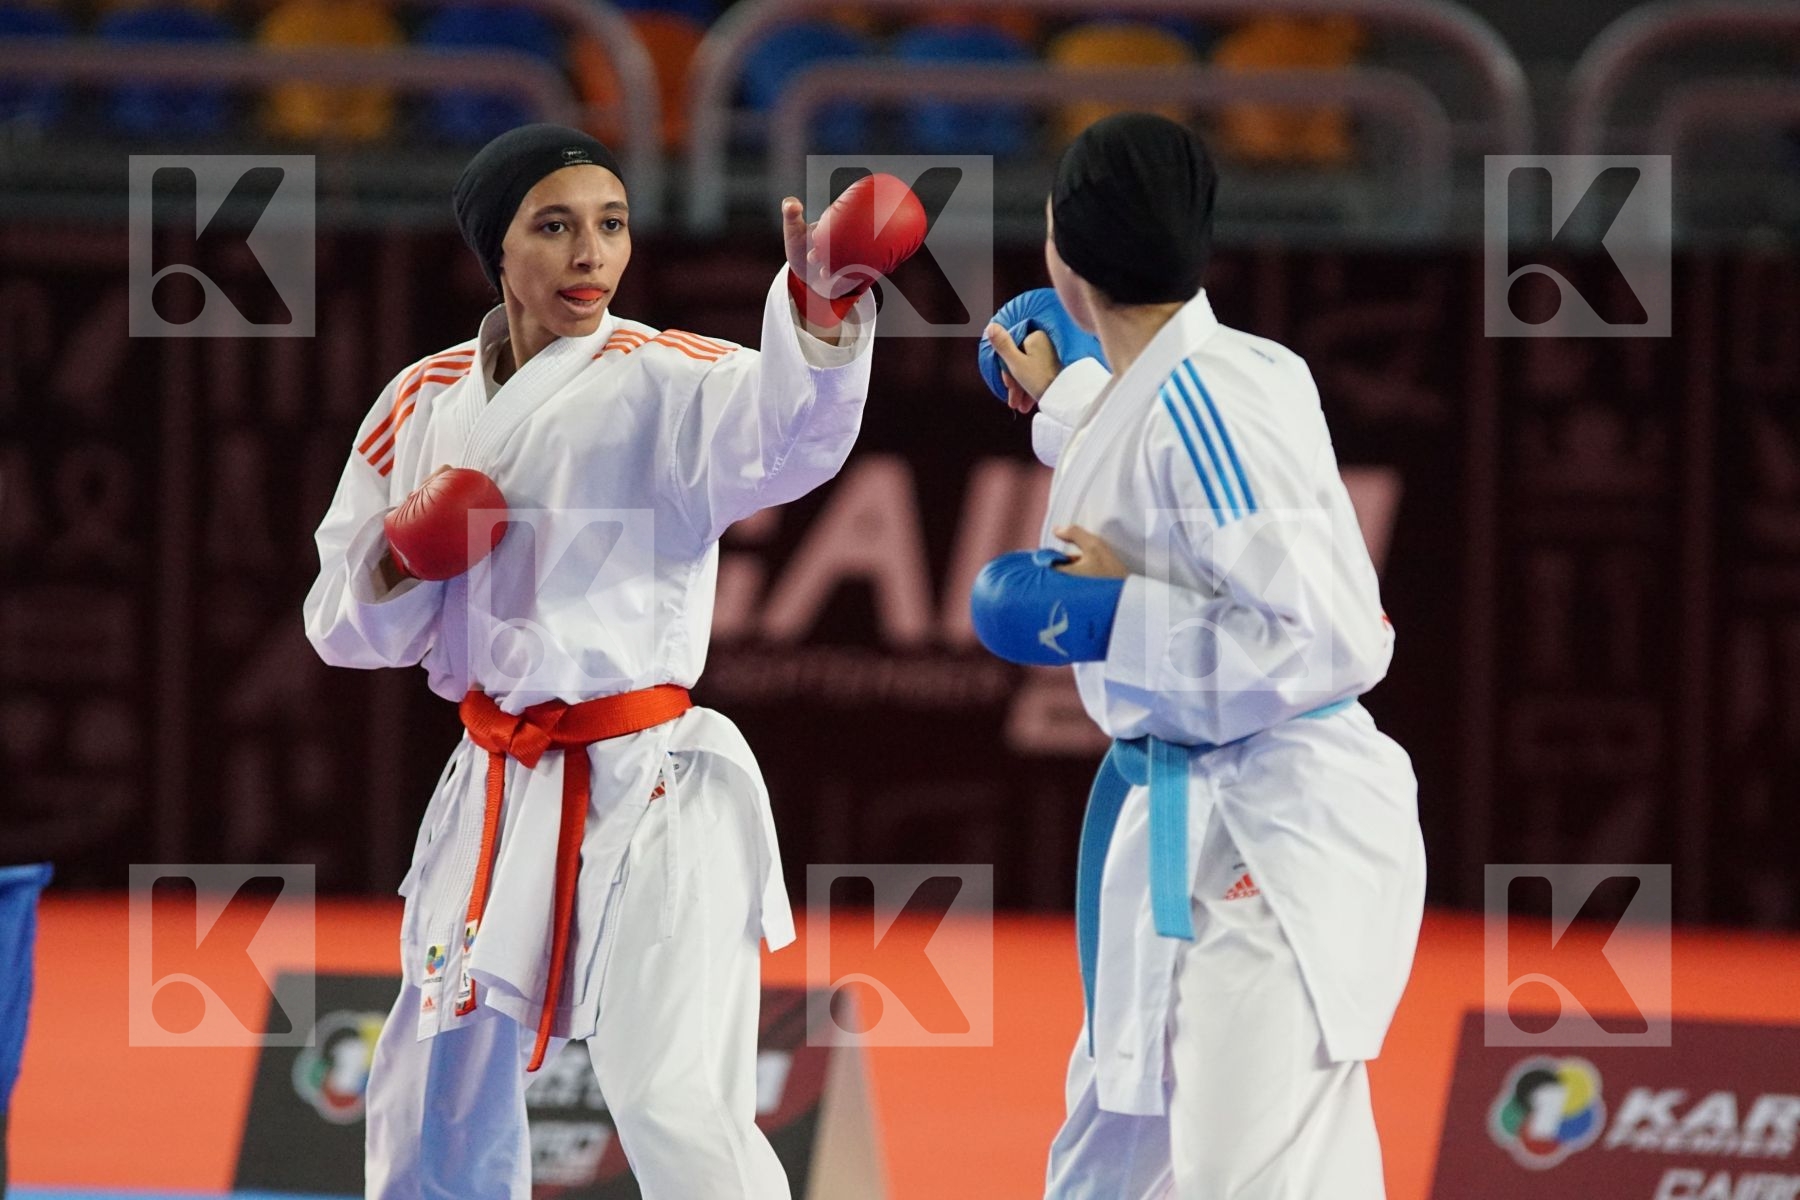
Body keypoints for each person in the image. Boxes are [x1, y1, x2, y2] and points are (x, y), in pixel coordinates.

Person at [303, 124, 923, 1199]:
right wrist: (403, 559)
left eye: (611, 225)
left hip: (652, 789)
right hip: (495, 783)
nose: (592, 254)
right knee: (428, 1103)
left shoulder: (661, 377)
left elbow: (787, 434)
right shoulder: (423, 399)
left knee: (675, 1102)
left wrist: (819, 314)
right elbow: (338, 623)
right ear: (497, 250)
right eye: (556, 228)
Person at [973, 112, 1425, 1199]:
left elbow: (1330, 631)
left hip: (1274, 823)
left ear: (1061, 249)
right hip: (1187, 810)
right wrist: (1071, 393)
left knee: (1248, 1173)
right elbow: (1161, 459)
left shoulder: (1211, 399)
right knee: (1113, 1160)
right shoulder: (1213, 377)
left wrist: (1112, 612)